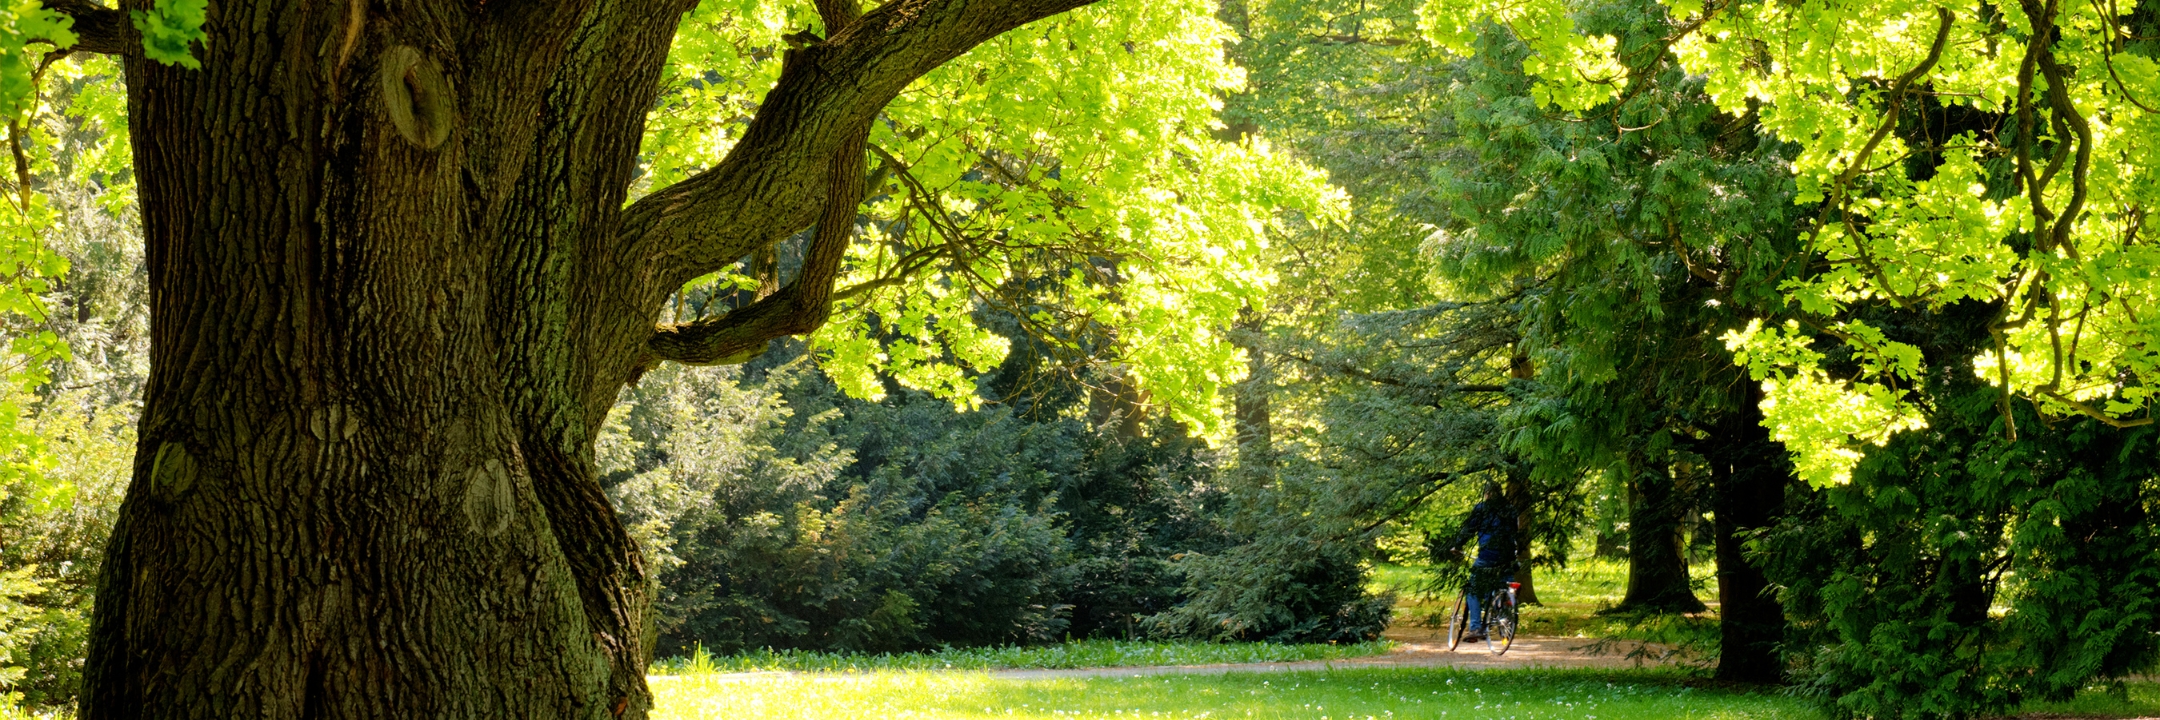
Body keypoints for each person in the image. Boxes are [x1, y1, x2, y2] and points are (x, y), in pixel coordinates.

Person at [1437, 481, 1517, 643]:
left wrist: (1457, 546)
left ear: (1487, 494)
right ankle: (1503, 615)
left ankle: (1475, 627)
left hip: (1488, 556)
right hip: (1508, 557)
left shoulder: (1481, 509)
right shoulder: (1511, 510)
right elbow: (1515, 532)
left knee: (1473, 589)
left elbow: (1468, 530)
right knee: (1502, 584)